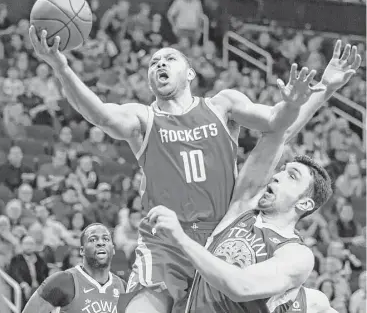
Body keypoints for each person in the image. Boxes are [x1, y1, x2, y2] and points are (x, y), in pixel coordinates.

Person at [29, 26, 360, 312]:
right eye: (154, 62)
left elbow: (278, 126)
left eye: (170, 58)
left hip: (222, 236)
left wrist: (321, 89)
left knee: (314, 303)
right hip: (166, 244)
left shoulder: (222, 105)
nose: (160, 63)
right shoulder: (144, 118)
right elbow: (101, 114)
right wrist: (61, 66)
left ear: (189, 73)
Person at [145, 43, 361, 312]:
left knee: (317, 303)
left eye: (291, 176)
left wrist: (181, 238)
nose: (278, 175)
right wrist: (325, 86)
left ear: (305, 204)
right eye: (282, 170)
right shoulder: (242, 209)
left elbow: (241, 287)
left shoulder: (296, 254)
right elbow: (278, 134)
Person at [22, 223, 125, 313]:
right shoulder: (62, 281)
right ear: (82, 251)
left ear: (113, 249)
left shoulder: (123, 287)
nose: (100, 243)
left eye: (106, 239)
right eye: (93, 239)